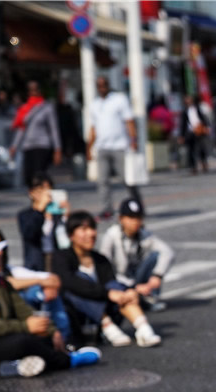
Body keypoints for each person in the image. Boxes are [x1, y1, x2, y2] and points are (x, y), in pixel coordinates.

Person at [0, 232, 99, 377]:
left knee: (41, 338)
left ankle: (13, 367)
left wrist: (51, 330)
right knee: (23, 342)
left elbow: (24, 311)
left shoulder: (0, 283)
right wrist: (26, 327)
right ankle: (66, 361)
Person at [52, 211, 161, 348]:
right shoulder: (61, 257)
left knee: (116, 286)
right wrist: (107, 293)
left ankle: (143, 328)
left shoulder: (100, 259)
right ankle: (106, 325)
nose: (91, 234)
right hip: (77, 313)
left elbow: (111, 284)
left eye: (92, 228)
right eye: (84, 229)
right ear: (71, 235)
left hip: (106, 306)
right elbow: (69, 283)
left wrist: (128, 291)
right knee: (78, 284)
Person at [0, 222, 73, 346]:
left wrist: (51, 330)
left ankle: (62, 340)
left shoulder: (3, 275)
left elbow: (52, 279)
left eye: (0, 248)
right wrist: (26, 326)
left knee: (39, 292)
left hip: (5, 331)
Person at [97, 198, 175, 311]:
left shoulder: (144, 234)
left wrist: (157, 275)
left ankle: (150, 297)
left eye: (139, 217)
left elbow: (167, 252)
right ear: (121, 219)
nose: (135, 221)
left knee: (156, 256)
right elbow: (104, 267)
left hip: (137, 277)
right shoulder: (111, 236)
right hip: (118, 280)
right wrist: (132, 286)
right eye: (131, 217)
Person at [86, 76, 139, 220]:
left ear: (108, 85)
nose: (102, 88)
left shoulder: (119, 99)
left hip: (119, 146)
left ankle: (136, 205)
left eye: (104, 85)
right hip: (102, 147)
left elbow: (129, 121)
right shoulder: (94, 104)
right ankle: (106, 209)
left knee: (127, 179)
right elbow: (93, 128)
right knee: (102, 181)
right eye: (99, 85)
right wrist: (89, 147)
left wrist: (134, 140)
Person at [9, 81, 62, 189]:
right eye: (31, 89)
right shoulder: (25, 109)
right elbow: (21, 129)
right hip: (28, 146)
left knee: (39, 176)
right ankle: (36, 200)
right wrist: (14, 146)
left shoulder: (46, 107)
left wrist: (58, 149)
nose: (33, 92)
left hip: (43, 145)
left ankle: (46, 198)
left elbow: (54, 129)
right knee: (28, 176)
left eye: (35, 89)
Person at [17, 173, 69, 272]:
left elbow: (66, 240)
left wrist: (66, 217)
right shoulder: (25, 215)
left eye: (49, 191)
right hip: (36, 264)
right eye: (41, 191)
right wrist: (40, 210)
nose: (46, 195)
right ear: (31, 193)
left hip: (56, 261)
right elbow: (29, 233)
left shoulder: (57, 214)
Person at [179, 94, 210, 175]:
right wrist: (181, 135)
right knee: (190, 150)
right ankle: (193, 166)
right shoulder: (185, 111)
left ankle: (204, 163)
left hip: (199, 130)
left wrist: (206, 127)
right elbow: (182, 124)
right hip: (190, 132)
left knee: (201, 148)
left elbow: (204, 118)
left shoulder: (198, 108)